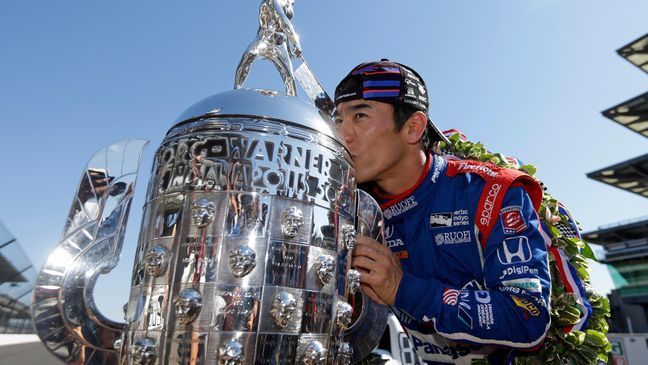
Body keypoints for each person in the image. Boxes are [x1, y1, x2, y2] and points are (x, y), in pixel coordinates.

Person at [334, 59, 552, 364]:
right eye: (339, 120)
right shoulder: (351, 213)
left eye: (360, 115)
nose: (343, 133)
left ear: (413, 127)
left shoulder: (490, 192)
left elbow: (528, 316)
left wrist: (403, 288)